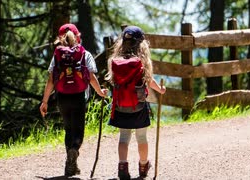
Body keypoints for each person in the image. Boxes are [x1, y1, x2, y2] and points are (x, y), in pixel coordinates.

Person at [39, 23, 108, 177]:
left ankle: (71, 163)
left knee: (68, 129)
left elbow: (51, 80)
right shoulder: (84, 54)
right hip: (79, 97)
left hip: (62, 97)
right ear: (77, 37)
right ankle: (74, 151)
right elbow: (90, 77)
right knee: (78, 131)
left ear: (59, 38)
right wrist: (100, 92)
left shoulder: (57, 55)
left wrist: (44, 102)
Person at [105, 25, 166, 179]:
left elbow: (112, 81)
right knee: (142, 138)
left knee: (124, 138)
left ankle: (122, 167)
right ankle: (144, 165)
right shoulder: (142, 61)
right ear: (141, 44)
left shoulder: (115, 61)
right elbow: (149, 81)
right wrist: (160, 90)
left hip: (120, 106)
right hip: (138, 107)